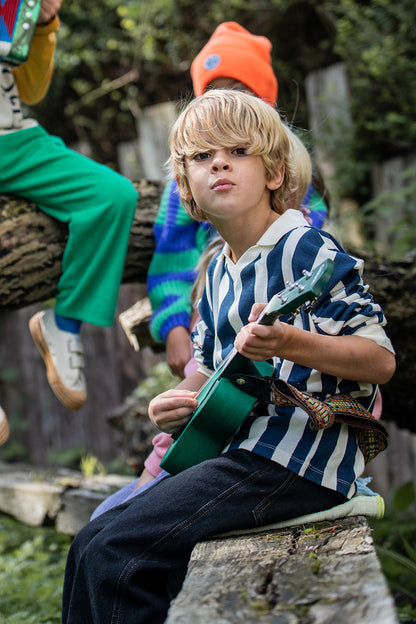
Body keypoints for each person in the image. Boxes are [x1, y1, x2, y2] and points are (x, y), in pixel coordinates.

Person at [63, 89, 395, 623]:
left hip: (297, 460)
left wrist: (289, 341)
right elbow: (209, 371)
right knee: (89, 543)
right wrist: (175, 401)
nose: (219, 162)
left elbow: (379, 361)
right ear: (187, 190)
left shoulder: (307, 249)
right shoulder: (218, 269)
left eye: (238, 151)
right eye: (201, 156)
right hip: (238, 453)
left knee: (115, 555)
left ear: (273, 174)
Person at [141, 21, 330, 490]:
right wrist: (174, 326)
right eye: (214, 93)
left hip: (280, 315)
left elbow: (315, 221)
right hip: (214, 315)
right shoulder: (189, 188)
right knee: (195, 401)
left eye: (241, 92)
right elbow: (171, 257)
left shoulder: (291, 168)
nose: (227, 106)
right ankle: (158, 479)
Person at [0, 0, 138, 412]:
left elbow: (32, 89)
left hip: (14, 139)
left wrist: (42, 26)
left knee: (113, 196)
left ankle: (64, 325)